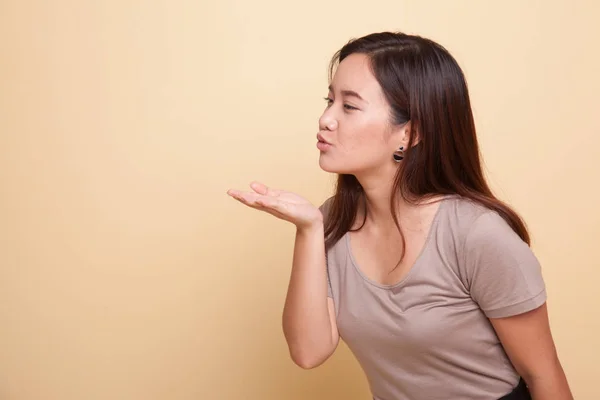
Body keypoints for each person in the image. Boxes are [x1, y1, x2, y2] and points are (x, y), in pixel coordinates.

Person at [226, 32, 573, 400]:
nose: (325, 119)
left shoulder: (477, 234)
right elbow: (309, 351)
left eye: (349, 106)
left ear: (409, 132)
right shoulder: (333, 222)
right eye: (329, 100)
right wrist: (309, 229)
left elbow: (543, 375)